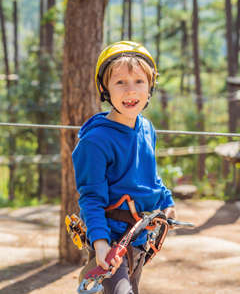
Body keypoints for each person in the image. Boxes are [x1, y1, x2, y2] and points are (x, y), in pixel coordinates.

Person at [72, 41, 176, 294]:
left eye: (139, 81)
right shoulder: (96, 142)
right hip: (111, 240)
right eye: (120, 83)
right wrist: (100, 244)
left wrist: (167, 200)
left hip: (139, 239)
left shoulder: (146, 128)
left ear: (151, 86)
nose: (131, 91)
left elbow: (149, 176)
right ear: (104, 88)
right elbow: (91, 199)